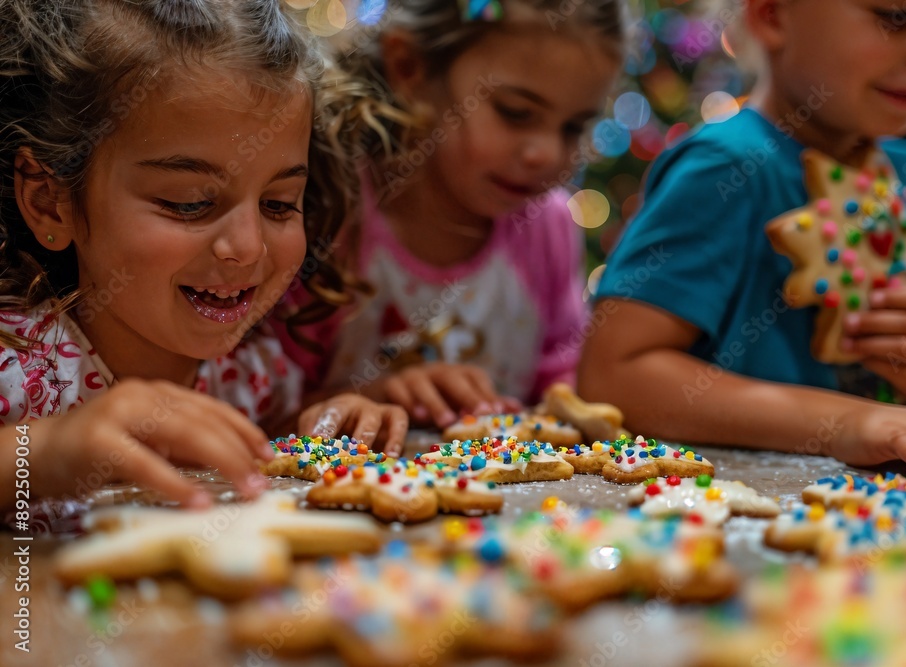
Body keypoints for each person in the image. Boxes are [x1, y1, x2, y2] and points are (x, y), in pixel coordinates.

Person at [0, 0, 406, 512]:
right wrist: (45, 452)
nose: (247, 247)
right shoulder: (14, 372)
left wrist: (329, 420)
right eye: (189, 203)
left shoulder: (253, 375)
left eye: (278, 204)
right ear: (49, 202)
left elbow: (273, 447)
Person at [580, 0, 906, 477]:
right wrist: (848, 421)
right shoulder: (727, 169)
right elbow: (613, 376)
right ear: (773, 14)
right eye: (897, 15)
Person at [273, 0, 626, 429]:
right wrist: (367, 396)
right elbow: (265, 410)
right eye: (515, 113)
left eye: (573, 127)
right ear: (410, 67)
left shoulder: (547, 226)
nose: (548, 153)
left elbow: (561, 382)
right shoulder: (331, 213)